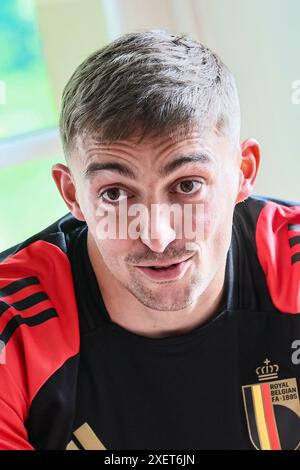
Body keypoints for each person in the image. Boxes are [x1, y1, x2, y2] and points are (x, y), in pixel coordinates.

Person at [0, 29, 299, 451]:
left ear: (243, 172)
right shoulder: (12, 326)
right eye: (115, 194)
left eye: (188, 185)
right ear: (72, 195)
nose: (157, 237)